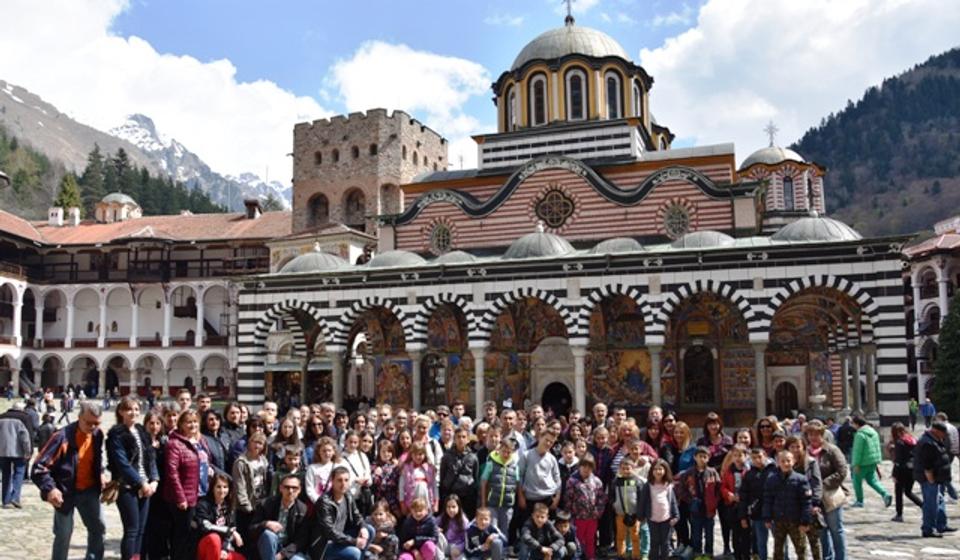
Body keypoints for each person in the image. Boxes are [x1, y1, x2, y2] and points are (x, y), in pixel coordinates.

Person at [31, 401, 107, 560]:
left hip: (89, 490)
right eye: (88, 423)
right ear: (79, 417)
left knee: (98, 528)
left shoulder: (97, 435)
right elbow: (39, 467)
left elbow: (96, 458)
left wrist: (100, 473)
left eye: (96, 423)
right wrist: (50, 488)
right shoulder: (62, 437)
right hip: (65, 492)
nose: (93, 427)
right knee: (63, 534)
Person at [106, 396, 159, 560]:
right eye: (129, 409)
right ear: (121, 412)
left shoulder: (141, 432)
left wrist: (154, 480)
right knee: (132, 530)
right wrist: (141, 482)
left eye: (136, 409)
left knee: (141, 530)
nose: (133, 413)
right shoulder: (116, 435)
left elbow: (150, 457)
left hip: (146, 486)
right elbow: (123, 464)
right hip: (127, 487)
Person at [164, 409, 213, 560]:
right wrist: (180, 498)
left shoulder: (200, 441)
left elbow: (205, 462)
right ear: (181, 424)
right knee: (182, 535)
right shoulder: (175, 444)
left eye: (195, 422)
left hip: (201, 493)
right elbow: (172, 472)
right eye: (188, 422)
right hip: (185, 497)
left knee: (195, 534)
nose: (193, 425)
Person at [804, 420, 848, 560]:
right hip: (813, 498)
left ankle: (841, 557)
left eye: (816, 434)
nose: (813, 437)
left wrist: (822, 484)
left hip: (830, 495)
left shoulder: (832, 450)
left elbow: (842, 471)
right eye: (810, 434)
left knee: (836, 530)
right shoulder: (805, 452)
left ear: (822, 434)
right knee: (821, 530)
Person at [309, 466, 374, 560]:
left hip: (341, 537)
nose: (343, 484)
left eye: (346, 480)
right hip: (325, 544)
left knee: (370, 530)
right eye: (339, 480)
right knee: (354, 553)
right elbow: (329, 532)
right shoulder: (324, 502)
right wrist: (354, 541)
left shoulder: (348, 496)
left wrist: (363, 526)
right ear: (332, 481)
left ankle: (361, 557)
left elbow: (357, 515)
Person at [762, 450, 812, 560]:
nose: (786, 464)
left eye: (788, 461)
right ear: (778, 463)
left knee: (801, 550)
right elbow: (768, 499)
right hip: (779, 520)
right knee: (778, 550)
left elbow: (806, 502)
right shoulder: (772, 479)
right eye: (782, 461)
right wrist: (767, 517)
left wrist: (805, 521)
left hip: (796, 521)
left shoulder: (801, 479)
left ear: (793, 461)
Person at [251, 472, 310, 560]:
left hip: (289, 549)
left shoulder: (303, 510)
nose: (290, 491)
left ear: (299, 490)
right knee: (268, 535)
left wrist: (283, 554)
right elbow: (252, 529)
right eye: (287, 487)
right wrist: (266, 524)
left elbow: (301, 540)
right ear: (281, 488)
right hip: (268, 547)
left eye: (294, 488)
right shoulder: (266, 504)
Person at [677, 447, 720, 560]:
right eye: (700, 456)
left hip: (709, 508)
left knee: (709, 533)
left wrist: (714, 501)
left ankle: (709, 553)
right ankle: (697, 553)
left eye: (705, 457)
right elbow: (681, 489)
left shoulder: (712, 472)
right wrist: (690, 500)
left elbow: (718, 488)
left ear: (708, 458)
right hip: (695, 508)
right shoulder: (688, 473)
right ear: (695, 457)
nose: (702, 459)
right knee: (696, 532)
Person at [914, 422, 955, 538]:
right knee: (931, 504)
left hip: (937, 478)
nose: (945, 435)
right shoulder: (928, 443)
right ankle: (928, 529)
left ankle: (941, 525)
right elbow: (927, 463)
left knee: (939, 501)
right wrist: (930, 478)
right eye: (943, 433)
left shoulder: (935, 440)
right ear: (936, 431)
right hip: (930, 479)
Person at [786, 436, 823, 560]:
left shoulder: (810, 462)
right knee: (799, 543)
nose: (795, 450)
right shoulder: (785, 463)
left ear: (803, 447)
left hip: (808, 505)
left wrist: (815, 503)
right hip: (793, 507)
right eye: (792, 447)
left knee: (814, 540)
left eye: (798, 446)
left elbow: (817, 484)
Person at [563, 453, 606, 560]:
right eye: (584, 466)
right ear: (579, 466)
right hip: (578, 518)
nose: (586, 469)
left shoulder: (597, 481)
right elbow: (568, 499)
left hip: (592, 517)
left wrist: (598, 512)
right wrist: (569, 515)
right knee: (578, 540)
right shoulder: (572, 481)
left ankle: (590, 556)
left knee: (590, 539)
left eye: (589, 467)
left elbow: (602, 498)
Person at [193, 472, 245, 560]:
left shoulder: (229, 506)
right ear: (212, 488)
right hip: (205, 546)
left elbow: (232, 529)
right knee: (214, 538)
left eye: (225, 487)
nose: (222, 490)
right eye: (218, 487)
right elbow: (206, 526)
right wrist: (229, 531)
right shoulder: (203, 504)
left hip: (222, 547)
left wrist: (225, 549)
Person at [739, 448, 775, 560]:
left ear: (765, 456)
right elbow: (744, 496)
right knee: (761, 541)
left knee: (780, 541)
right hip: (758, 512)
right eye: (754, 458)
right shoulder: (749, 474)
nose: (757, 460)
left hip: (775, 511)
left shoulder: (775, 471)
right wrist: (743, 515)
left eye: (759, 457)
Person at [639, 459, 679, 560]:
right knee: (654, 542)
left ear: (665, 470)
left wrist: (676, 515)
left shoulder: (668, 485)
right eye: (655, 469)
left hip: (666, 518)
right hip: (652, 518)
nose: (658, 471)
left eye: (660, 469)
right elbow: (642, 501)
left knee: (666, 542)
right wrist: (641, 516)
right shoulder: (648, 485)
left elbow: (673, 501)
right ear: (651, 471)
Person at [480, 436, 520, 532]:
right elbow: (484, 483)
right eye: (504, 451)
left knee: (504, 531)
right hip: (492, 504)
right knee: (493, 529)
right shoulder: (491, 464)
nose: (506, 454)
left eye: (508, 452)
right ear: (499, 450)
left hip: (507, 506)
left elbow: (517, 484)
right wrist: (483, 503)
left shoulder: (515, 466)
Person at [849, 416, 891, 508]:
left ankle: (859, 501)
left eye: (853, 423)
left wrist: (856, 464)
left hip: (862, 463)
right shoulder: (873, 432)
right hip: (872, 461)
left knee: (857, 482)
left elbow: (858, 451)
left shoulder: (860, 434)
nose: (852, 425)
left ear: (857, 424)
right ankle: (885, 494)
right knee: (872, 480)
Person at [440, 427, 480, 518]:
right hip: (451, 493)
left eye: (463, 437)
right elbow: (443, 474)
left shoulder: (473, 457)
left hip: (467, 495)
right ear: (454, 439)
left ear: (468, 439)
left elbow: (475, 475)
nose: (461, 439)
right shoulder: (447, 456)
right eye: (458, 437)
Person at [719, 445, 750, 560]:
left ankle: (746, 555)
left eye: (740, 455)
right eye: (735, 455)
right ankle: (737, 555)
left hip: (745, 506)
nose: (737, 458)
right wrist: (729, 495)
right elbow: (723, 486)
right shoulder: (729, 471)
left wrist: (744, 497)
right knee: (735, 533)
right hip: (732, 506)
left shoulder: (749, 470)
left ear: (746, 456)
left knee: (746, 533)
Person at [0, 401, 33, 509]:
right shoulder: (23, 418)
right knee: (19, 474)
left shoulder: (1, 417)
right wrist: (28, 451)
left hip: (2, 451)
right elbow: (25, 437)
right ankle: (15, 497)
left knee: (5, 475)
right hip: (18, 451)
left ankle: (6, 500)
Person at [888, 422, 922, 523]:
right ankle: (923, 506)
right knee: (908, 491)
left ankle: (899, 514)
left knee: (898, 492)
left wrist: (894, 474)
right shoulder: (913, 439)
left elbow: (898, 460)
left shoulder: (899, 442)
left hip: (902, 470)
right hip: (912, 468)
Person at [611, 457, 644, 560]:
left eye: (628, 468)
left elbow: (641, 497)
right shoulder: (616, 482)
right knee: (620, 536)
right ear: (620, 469)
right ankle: (621, 554)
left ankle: (636, 555)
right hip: (620, 514)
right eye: (623, 468)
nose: (625, 471)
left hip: (634, 514)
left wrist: (639, 512)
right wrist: (614, 505)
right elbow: (611, 495)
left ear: (633, 468)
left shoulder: (637, 481)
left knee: (635, 536)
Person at [399, 443, 439, 515]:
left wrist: (436, 503)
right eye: (415, 454)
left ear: (424, 455)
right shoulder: (406, 468)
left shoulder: (429, 468)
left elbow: (434, 486)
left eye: (420, 454)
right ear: (411, 455)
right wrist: (402, 503)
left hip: (427, 501)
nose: (418, 457)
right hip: (411, 502)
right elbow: (401, 487)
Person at [438, 494, 470, 560]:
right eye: (448, 507)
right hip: (445, 546)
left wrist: (459, 548)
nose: (451, 510)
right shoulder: (443, 517)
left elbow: (467, 539)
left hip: (457, 547)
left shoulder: (463, 520)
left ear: (459, 507)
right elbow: (433, 525)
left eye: (453, 507)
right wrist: (436, 529)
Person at [202, 409, 232, 474]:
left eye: (217, 419)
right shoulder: (202, 439)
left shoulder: (225, 437)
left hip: (228, 475)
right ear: (205, 422)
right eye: (211, 419)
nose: (214, 422)